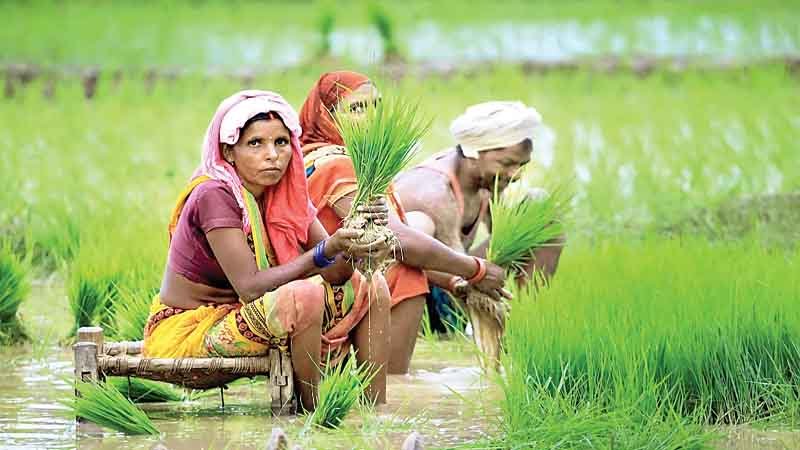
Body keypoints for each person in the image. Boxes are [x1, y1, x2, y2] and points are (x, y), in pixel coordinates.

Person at [142, 90, 392, 409]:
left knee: (372, 285)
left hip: (246, 314)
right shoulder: (214, 195)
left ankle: (377, 410)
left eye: (281, 142)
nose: (272, 154)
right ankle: (313, 414)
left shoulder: (285, 195)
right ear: (229, 152)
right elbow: (249, 287)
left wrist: (359, 238)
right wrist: (324, 249)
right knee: (305, 295)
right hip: (189, 329)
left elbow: (337, 273)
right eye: (256, 143)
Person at [298, 71, 509, 374]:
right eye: (356, 109)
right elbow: (396, 239)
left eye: (376, 106)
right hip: (323, 286)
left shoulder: (339, 160)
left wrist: (454, 282)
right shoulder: (335, 164)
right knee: (407, 272)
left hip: (329, 278)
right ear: (326, 116)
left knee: (403, 260)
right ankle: (391, 382)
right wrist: (475, 270)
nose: (372, 117)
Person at [393, 101, 566, 329]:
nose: (515, 176)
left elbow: (500, 243)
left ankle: (529, 322)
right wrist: (473, 283)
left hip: (461, 275)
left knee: (539, 208)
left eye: (521, 165)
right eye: (507, 164)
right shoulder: (435, 192)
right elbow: (456, 269)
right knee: (418, 224)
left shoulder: (484, 178)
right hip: (422, 293)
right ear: (475, 153)